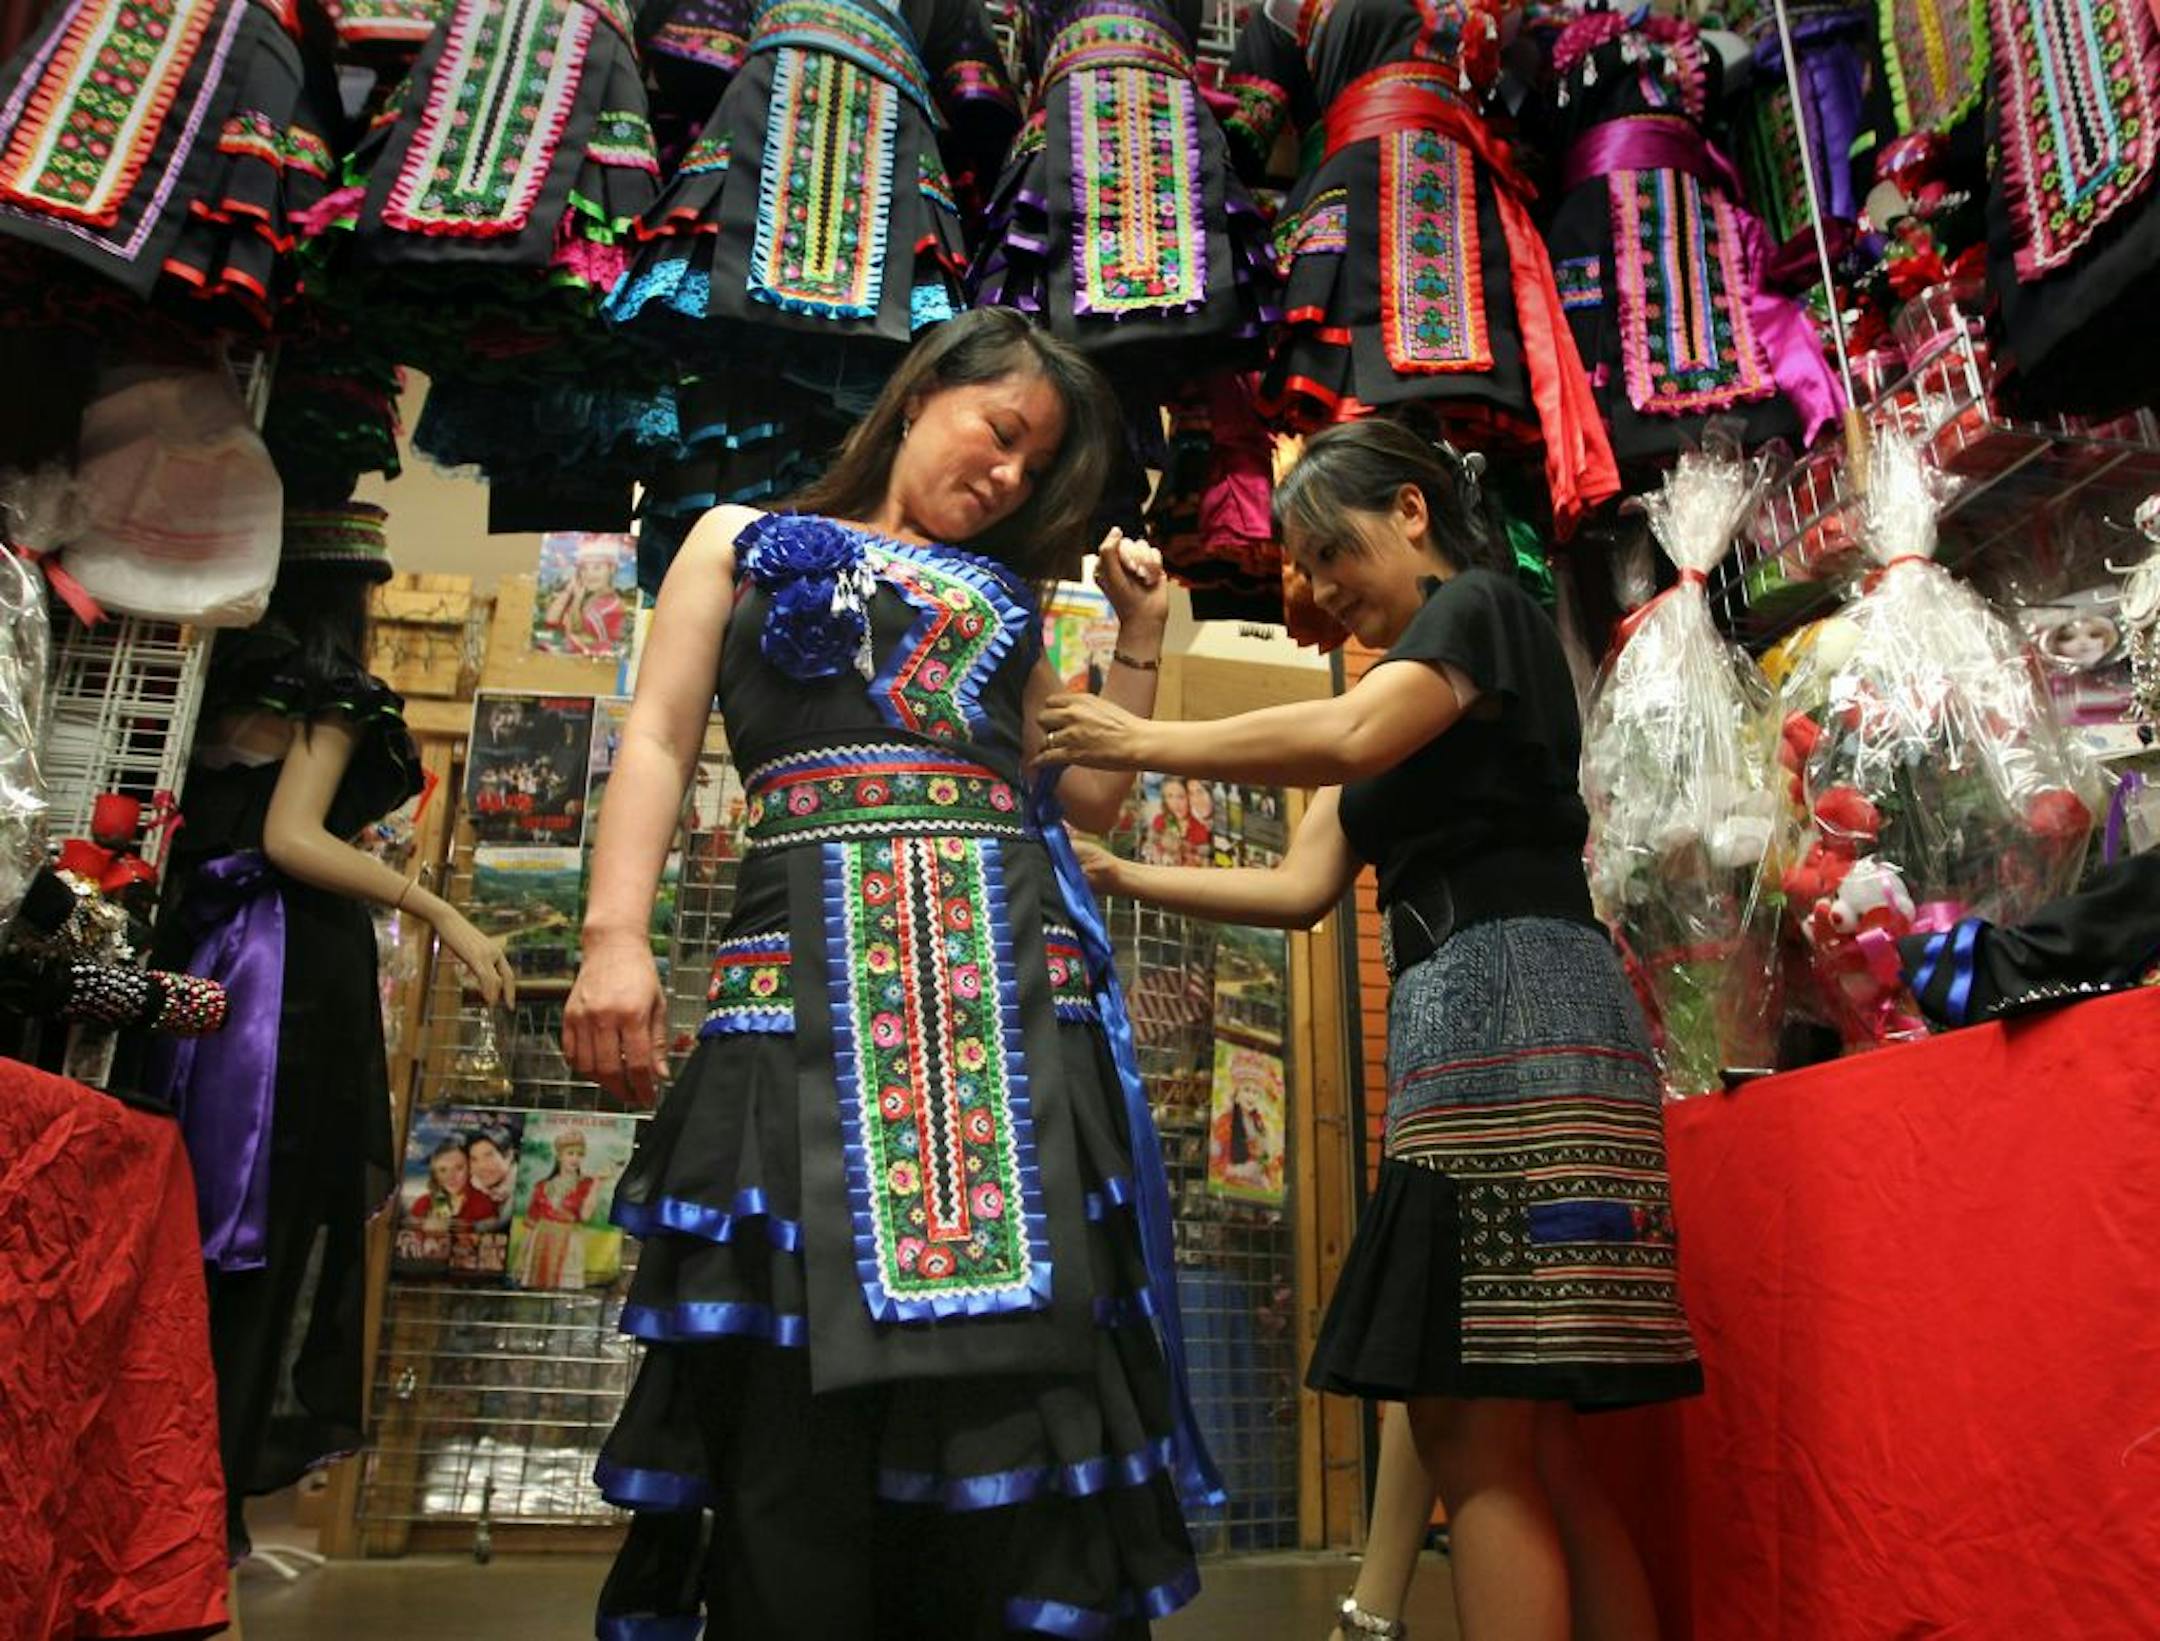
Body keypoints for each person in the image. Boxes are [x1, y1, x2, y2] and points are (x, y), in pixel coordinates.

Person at [561, 307, 1218, 1635]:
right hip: (787, 993)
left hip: (1007, 1010)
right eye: (1004, 433)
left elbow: (1088, 795)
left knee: (1010, 1410)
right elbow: (658, 741)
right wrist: (613, 939)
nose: (1010, 478)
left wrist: (1143, 639)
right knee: (782, 1399)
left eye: (1035, 472)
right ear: (926, 392)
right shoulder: (732, 538)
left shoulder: (1014, 603)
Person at [1041, 419, 1702, 1641]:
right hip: (1499, 1026)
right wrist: (1122, 875)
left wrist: (1139, 738)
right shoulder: (1399, 681)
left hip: (1512, 1022)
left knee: (1470, 1422)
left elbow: (1347, 742)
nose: (1323, 588)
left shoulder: (1478, 609)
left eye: (1331, 553)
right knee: (1535, 1436)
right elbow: (1299, 891)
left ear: (1411, 512)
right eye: (1301, 567)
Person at [140, 502, 515, 1580]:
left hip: (204, 958)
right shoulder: (325, 691)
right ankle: (205, 1515)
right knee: (263, 1226)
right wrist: (434, 907)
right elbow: (292, 836)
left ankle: (182, 1499)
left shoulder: (221, 681)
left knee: (197, 1224)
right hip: (277, 983)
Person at [513, 1129, 599, 1290]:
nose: (575, 1159)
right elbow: (531, 1222)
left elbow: (585, 1216)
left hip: (568, 1239)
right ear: (560, 1156)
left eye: (579, 1155)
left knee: (564, 1286)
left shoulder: (585, 1185)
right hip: (540, 1239)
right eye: (570, 1153)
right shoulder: (542, 1186)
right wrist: (521, 1256)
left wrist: (596, 1185)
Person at [545, 541, 630, 657]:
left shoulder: (611, 606)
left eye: (597, 568)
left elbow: (578, 632)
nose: (589, 574)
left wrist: (577, 601)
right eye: (584, 569)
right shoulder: (588, 599)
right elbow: (551, 620)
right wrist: (569, 589)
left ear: (612, 569)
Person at [411, 1139, 499, 1226]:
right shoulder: (422, 1204)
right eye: (443, 1170)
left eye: (458, 1168)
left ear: (470, 1169)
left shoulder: (484, 1205)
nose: (450, 1177)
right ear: (435, 1175)